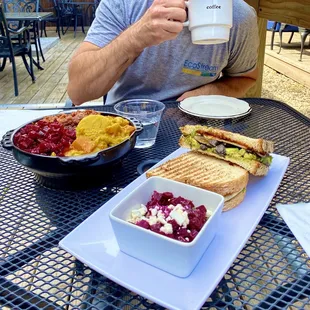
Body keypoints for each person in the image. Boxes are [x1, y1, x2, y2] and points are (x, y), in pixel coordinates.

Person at [67, 0, 259, 105]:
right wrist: (135, 37)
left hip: (197, 125)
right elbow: (78, 92)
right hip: (125, 127)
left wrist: (212, 92)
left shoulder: (239, 17)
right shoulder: (124, 4)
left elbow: (246, 77)